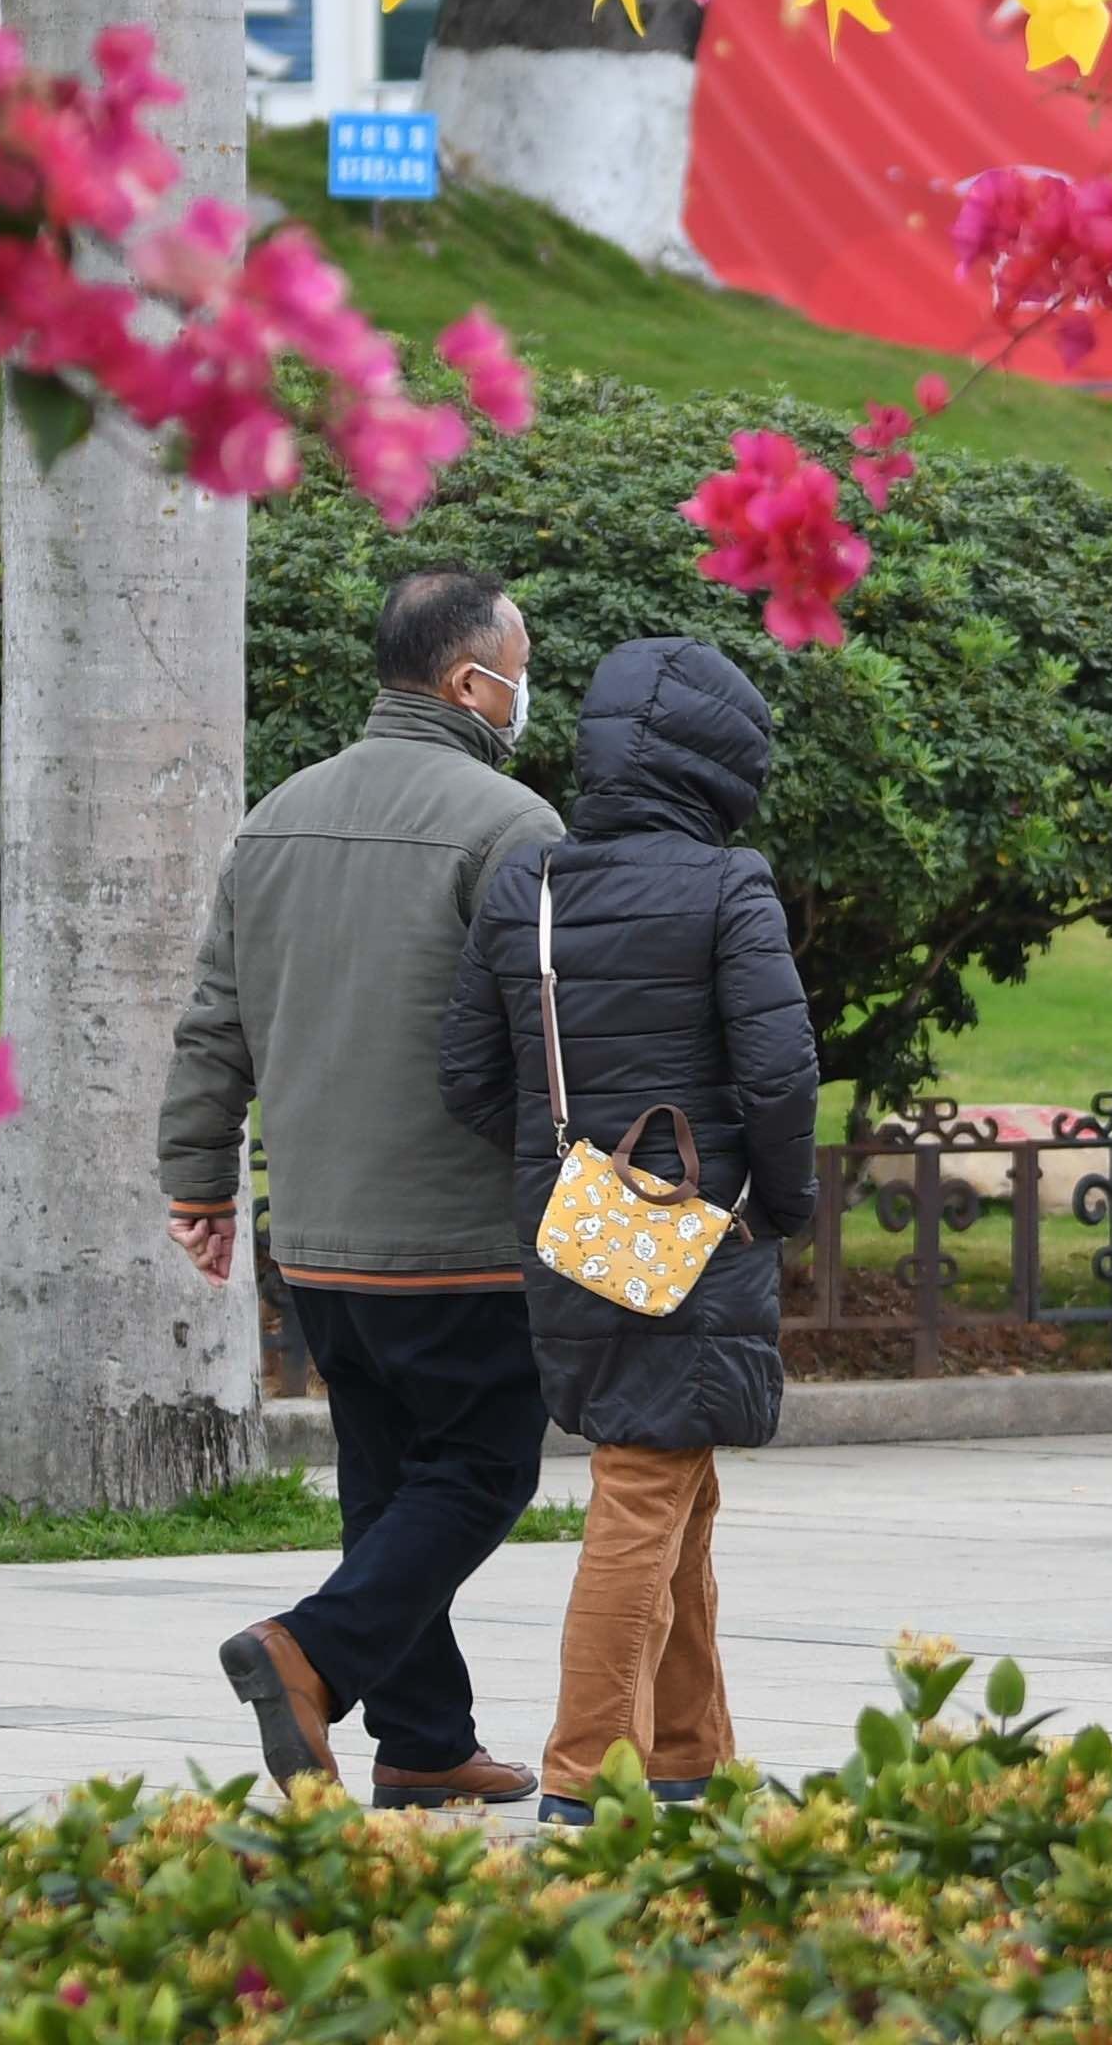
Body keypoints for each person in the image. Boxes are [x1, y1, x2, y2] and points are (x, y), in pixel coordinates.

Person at [165, 565, 559, 1812]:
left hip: (319, 1234)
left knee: (388, 1480)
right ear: (469, 682)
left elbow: (214, 1018)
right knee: (482, 1466)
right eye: (520, 670)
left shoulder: (277, 816)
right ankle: (309, 1650)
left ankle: (425, 1740)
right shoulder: (512, 824)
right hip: (458, 1228)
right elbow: (549, 1035)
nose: (526, 693)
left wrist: (198, 1177)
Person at [439, 634, 818, 1822]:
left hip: (575, 1231)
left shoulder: (530, 884)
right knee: (645, 1486)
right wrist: (781, 1204)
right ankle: (587, 1770)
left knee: (672, 1476)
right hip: (699, 1232)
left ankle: (688, 1750)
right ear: (720, 762)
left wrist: (574, 1170)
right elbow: (780, 1074)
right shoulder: (730, 884)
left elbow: (468, 1076)